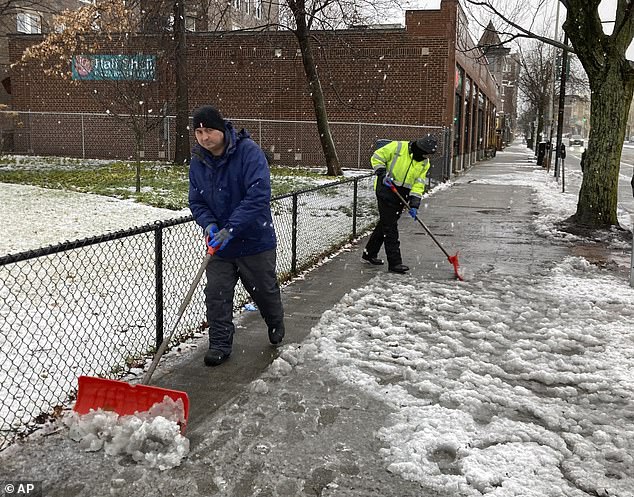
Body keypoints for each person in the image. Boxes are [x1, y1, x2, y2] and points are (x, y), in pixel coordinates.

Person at [188, 105, 285, 367]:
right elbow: (196, 201)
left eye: (208, 130)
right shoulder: (198, 161)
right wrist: (208, 225)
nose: (204, 137)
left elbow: (258, 196)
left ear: (221, 129)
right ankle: (220, 343)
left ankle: (275, 321)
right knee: (216, 294)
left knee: (264, 291)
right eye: (198, 132)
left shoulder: (248, 153)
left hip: (254, 241)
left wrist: (232, 228)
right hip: (219, 245)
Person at [362, 135, 438, 274]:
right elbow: (377, 156)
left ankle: (369, 253)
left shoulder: (423, 162)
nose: (425, 157)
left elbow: (418, 184)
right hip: (385, 189)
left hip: (402, 194)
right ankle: (395, 263)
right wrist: (381, 172)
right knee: (390, 227)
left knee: (385, 224)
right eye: (424, 154)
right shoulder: (398, 147)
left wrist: (414, 204)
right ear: (419, 148)